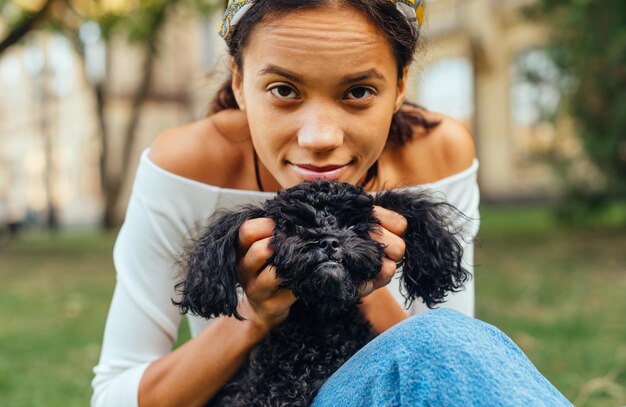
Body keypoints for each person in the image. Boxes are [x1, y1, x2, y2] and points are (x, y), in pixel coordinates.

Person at [91, 0, 572, 406]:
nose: (320, 138)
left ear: (401, 86)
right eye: (283, 90)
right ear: (239, 82)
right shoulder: (188, 165)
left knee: (444, 342)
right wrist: (255, 317)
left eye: (358, 92)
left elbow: (446, 374)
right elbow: (114, 393)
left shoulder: (437, 153)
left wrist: (357, 274)